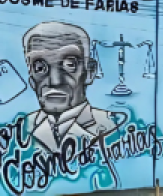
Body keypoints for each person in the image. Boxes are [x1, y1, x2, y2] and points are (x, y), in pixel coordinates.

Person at [22, 21, 126, 153]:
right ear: (31, 79)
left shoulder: (115, 125)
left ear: (89, 72)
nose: (55, 81)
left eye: (69, 65)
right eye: (40, 68)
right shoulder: (20, 129)